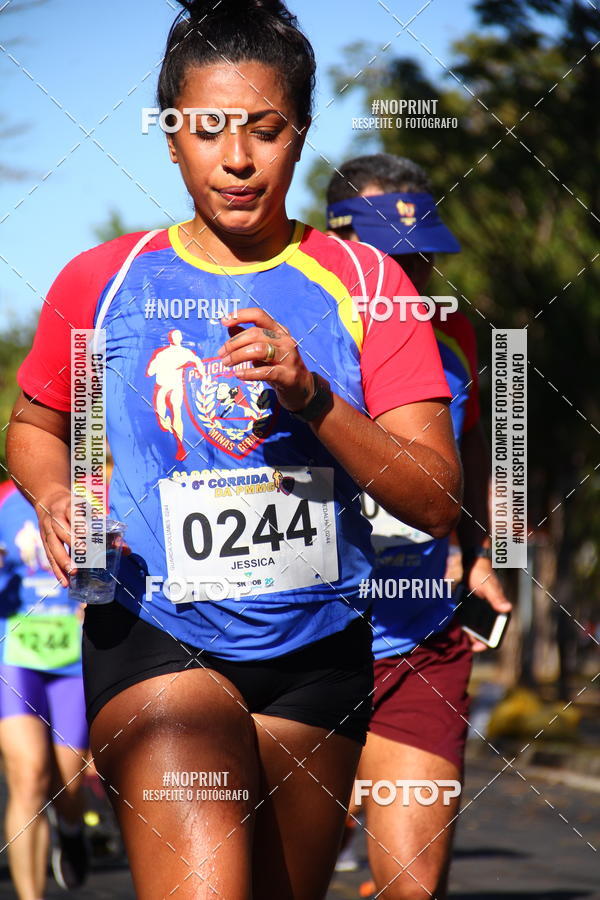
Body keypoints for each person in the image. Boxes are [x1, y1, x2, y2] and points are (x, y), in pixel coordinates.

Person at [7, 3, 462, 897]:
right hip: (153, 628)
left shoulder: (369, 285)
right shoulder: (102, 281)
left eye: (266, 129)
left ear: (299, 135)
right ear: (172, 137)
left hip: (316, 647)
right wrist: (57, 496)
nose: (238, 158)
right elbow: (34, 428)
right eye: (208, 129)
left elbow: (436, 498)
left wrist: (315, 396)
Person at [326, 154, 512, 898]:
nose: (413, 272)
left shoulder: (457, 335)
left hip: (420, 643)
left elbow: (472, 452)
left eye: (424, 253)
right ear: (340, 246)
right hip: (300, 641)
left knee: (412, 885)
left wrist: (477, 552)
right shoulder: (290, 330)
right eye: (391, 257)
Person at [0, 481, 89, 899]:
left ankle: (70, 827)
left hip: (75, 659)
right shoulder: (3, 502)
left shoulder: (96, 497)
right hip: (15, 655)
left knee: (68, 785)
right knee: (29, 775)